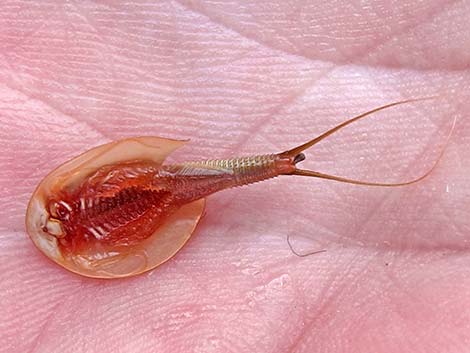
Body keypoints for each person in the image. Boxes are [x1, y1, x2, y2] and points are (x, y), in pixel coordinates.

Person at [0, 1, 467, 352]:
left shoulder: (68, 201)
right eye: (61, 222)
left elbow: (116, 173)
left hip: (157, 185)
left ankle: (283, 162)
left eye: (57, 213)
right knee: (177, 189)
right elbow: (132, 237)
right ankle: (284, 162)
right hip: (162, 195)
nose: (57, 222)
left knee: (171, 185)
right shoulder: (86, 245)